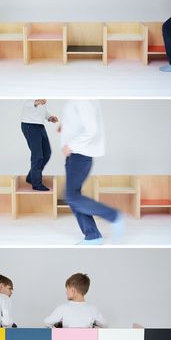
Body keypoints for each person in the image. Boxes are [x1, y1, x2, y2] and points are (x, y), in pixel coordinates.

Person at [60, 100, 123, 245]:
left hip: (80, 154)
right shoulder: (74, 97)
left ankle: (113, 216)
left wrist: (71, 144)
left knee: (71, 195)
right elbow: (79, 124)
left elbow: (92, 130)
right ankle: (93, 235)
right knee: (73, 196)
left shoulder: (82, 97)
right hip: (74, 155)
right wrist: (64, 128)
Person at [21, 100, 58, 191]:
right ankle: (36, 184)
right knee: (37, 156)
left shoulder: (43, 92)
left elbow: (41, 109)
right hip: (29, 125)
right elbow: (26, 103)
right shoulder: (32, 90)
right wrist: (35, 102)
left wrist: (49, 117)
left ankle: (31, 177)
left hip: (39, 126)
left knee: (46, 153)